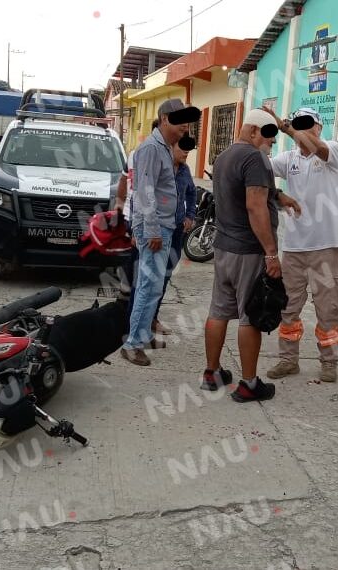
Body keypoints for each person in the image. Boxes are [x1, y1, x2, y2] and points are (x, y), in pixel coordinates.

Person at [202, 108, 301, 402]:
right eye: (269, 139)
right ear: (255, 131)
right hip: (248, 250)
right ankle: (248, 384)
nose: (270, 145)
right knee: (251, 316)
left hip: (223, 247)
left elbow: (249, 192)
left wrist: (279, 195)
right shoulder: (254, 158)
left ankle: (212, 373)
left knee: (218, 311)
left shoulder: (225, 156)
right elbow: (255, 205)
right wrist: (271, 254)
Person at [264, 107, 338, 383]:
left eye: (308, 125)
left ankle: (329, 362)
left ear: (319, 128)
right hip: (295, 249)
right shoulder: (288, 159)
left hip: (327, 247)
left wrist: (290, 128)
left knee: (328, 308)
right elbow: (259, 170)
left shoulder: (331, 151)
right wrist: (277, 193)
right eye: (299, 125)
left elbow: (317, 148)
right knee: (288, 307)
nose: (303, 131)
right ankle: (288, 360)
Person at [120, 99, 200, 366]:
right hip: (155, 230)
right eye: (180, 122)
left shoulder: (164, 148)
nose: (184, 129)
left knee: (154, 288)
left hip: (164, 227)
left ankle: (142, 335)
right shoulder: (152, 149)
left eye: (187, 123)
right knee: (146, 287)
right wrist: (152, 230)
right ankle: (132, 344)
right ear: (165, 119)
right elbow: (144, 192)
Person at [153, 134, 198, 326]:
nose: (187, 152)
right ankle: (141, 320)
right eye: (183, 148)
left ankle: (153, 317)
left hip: (178, 229)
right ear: (171, 147)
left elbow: (192, 192)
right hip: (158, 230)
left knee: (166, 274)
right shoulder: (160, 168)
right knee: (151, 276)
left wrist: (190, 215)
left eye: (189, 149)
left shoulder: (185, 170)